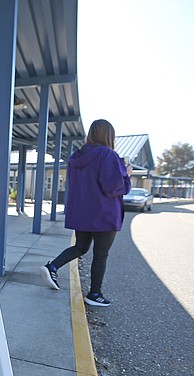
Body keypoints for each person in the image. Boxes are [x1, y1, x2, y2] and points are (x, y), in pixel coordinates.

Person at [40, 119, 131, 307]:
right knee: (101, 255)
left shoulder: (77, 157)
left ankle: (52, 266)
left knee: (81, 247)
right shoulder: (109, 155)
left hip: (83, 213)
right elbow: (113, 187)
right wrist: (126, 175)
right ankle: (94, 294)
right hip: (104, 214)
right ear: (109, 135)